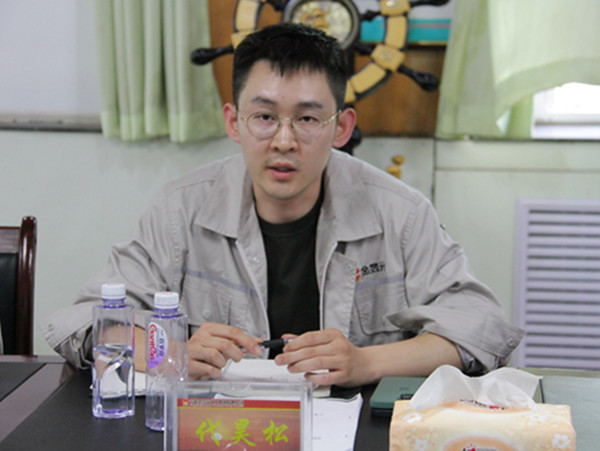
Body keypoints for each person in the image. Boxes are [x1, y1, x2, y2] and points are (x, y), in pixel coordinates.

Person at [40, 23, 522, 387]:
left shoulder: (400, 212)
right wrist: (169, 350)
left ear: (341, 127)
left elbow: (481, 326)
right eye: (265, 116)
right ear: (234, 122)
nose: (284, 141)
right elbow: (84, 321)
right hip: (222, 428)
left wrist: (365, 361)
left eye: (308, 118)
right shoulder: (180, 209)